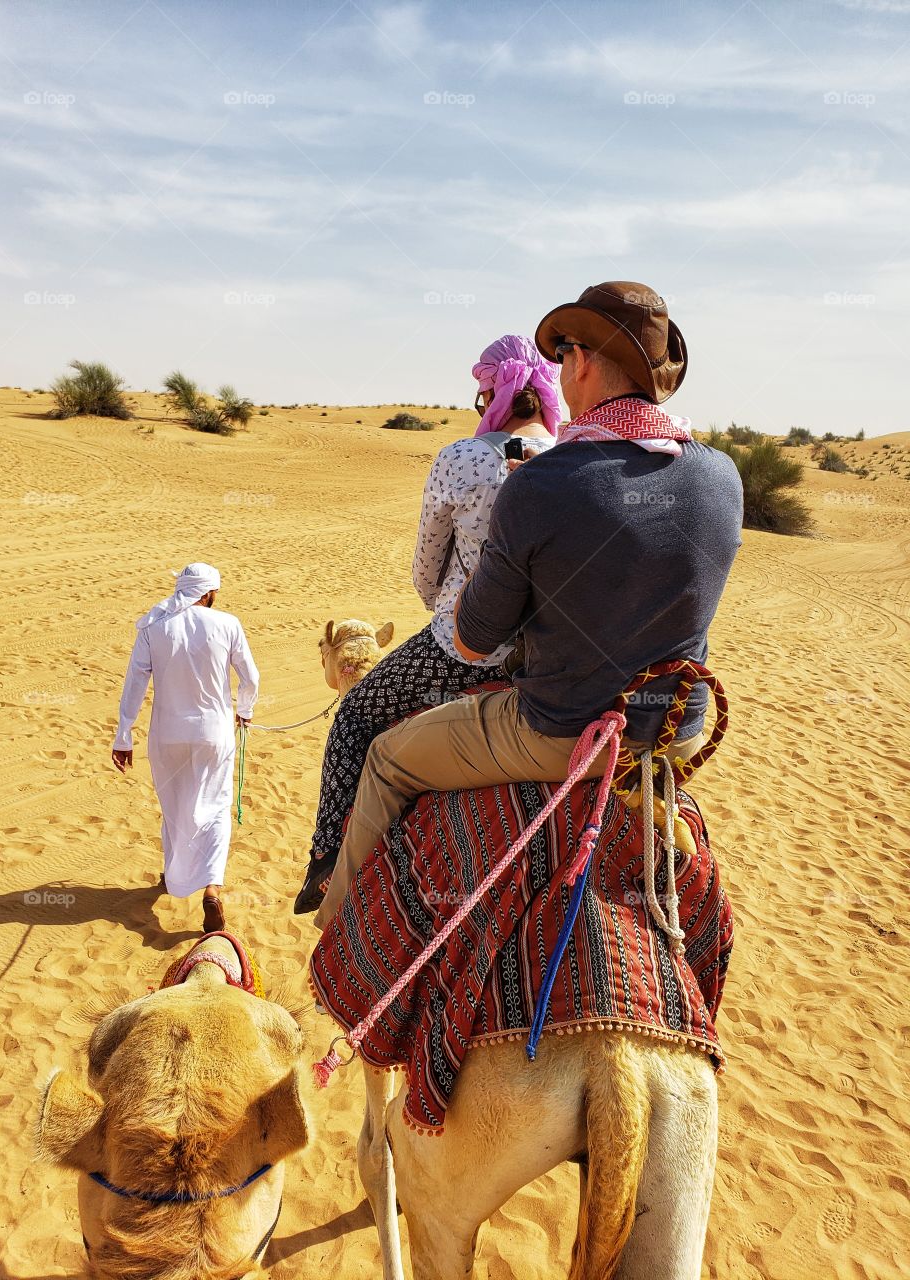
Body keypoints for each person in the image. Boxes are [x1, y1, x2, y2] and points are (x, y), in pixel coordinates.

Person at [315, 281, 743, 930]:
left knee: (384, 757)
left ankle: (337, 932)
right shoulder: (721, 474)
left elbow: (473, 638)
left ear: (582, 362)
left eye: (566, 352)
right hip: (675, 732)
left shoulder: (543, 482)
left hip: (566, 732)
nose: (562, 369)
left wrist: (514, 534)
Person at [293, 335, 564, 914]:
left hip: (459, 647)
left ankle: (325, 859)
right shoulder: (573, 459)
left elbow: (426, 566)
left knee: (355, 715)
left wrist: (443, 608)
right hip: (547, 658)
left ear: (492, 393)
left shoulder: (462, 458)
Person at [112, 562, 259, 933]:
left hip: (167, 735)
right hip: (214, 734)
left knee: (174, 804)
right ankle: (211, 888)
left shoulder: (153, 625)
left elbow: (134, 683)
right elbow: (251, 678)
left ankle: (174, 875)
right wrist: (244, 711)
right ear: (207, 593)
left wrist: (124, 734)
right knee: (216, 806)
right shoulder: (228, 624)